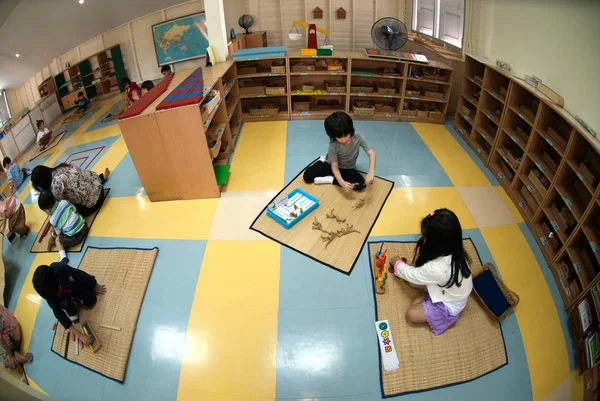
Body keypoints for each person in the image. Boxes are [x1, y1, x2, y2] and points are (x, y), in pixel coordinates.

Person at [388, 208, 473, 336]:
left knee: (411, 314)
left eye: (426, 236)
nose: (423, 238)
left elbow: (413, 275)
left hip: (449, 306)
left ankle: (436, 309)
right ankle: (429, 298)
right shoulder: (456, 251)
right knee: (413, 284)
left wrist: (398, 264)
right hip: (446, 289)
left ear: (437, 243)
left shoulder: (437, 268)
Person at [32, 240, 107, 349]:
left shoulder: (59, 270)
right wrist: (79, 335)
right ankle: (71, 303)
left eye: (58, 290)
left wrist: (95, 284)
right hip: (65, 299)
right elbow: (60, 315)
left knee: (91, 300)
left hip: (72, 287)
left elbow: (80, 274)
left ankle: (60, 247)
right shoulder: (51, 297)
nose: (57, 294)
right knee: (74, 317)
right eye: (55, 294)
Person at [303, 111, 376, 191]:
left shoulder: (357, 137)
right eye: (339, 137)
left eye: (346, 135)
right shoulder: (333, 145)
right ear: (333, 136)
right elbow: (334, 168)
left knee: (361, 185)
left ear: (350, 130)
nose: (344, 140)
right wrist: (342, 183)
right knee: (307, 176)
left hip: (348, 168)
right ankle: (322, 162)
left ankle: (330, 179)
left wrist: (371, 172)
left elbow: (372, 154)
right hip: (331, 165)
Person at [31, 164, 109, 217]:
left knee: (67, 213)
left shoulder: (55, 187)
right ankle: (102, 177)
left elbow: (62, 207)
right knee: (78, 183)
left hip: (95, 202)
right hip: (98, 184)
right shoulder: (60, 167)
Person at [0, 304, 33, 381]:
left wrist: (10, 354)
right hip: (15, 327)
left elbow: (0, 338)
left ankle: (18, 359)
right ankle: (18, 360)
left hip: (13, 337)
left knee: (3, 358)